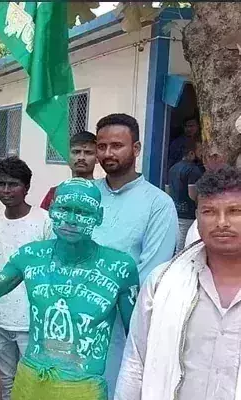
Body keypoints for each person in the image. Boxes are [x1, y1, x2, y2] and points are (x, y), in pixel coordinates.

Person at [0, 178, 139, 399]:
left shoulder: (119, 268)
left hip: (83, 388)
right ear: (52, 210)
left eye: (83, 212)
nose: (71, 220)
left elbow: (137, 338)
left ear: (99, 216)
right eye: (64, 209)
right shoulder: (31, 256)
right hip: (30, 381)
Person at [116, 166, 241, 399]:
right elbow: (135, 362)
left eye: (235, 211)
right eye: (209, 211)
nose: (222, 222)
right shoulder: (163, 282)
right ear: (197, 218)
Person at [91, 113, 178, 399]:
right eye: (101, 146)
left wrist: (100, 297)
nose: (107, 153)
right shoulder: (86, 196)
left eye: (117, 145)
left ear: (136, 149)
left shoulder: (158, 204)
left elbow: (152, 273)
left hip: (124, 324)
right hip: (77, 321)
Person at [0, 156, 53, 400]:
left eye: (13, 184)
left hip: (33, 322)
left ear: (26, 188)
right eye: (1, 184)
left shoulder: (44, 221)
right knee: (8, 382)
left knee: (35, 384)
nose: (6, 190)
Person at [41, 131, 97, 210]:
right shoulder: (55, 193)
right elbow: (43, 220)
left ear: (97, 158)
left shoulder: (102, 192)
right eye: (76, 152)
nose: (81, 157)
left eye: (88, 153)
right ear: (67, 156)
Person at [167, 138, 203, 249]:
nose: (202, 154)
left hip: (175, 211)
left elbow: (167, 189)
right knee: (183, 247)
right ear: (192, 153)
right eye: (200, 150)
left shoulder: (172, 168)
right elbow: (192, 193)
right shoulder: (193, 170)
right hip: (188, 214)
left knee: (174, 244)